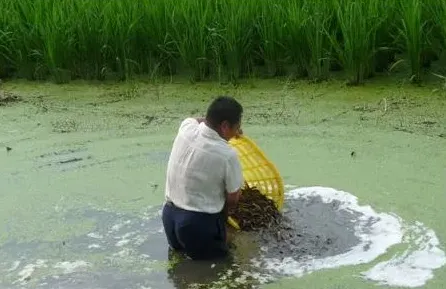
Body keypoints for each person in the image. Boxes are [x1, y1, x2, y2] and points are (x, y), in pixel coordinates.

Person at [161, 96, 244, 260]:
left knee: (182, 270)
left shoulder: (186, 128)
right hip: (197, 225)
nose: (238, 131)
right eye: (237, 126)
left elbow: (196, 120)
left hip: (169, 216)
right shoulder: (227, 155)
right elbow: (233, 197)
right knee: (217, 272)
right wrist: (224, 221)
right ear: (225, 126)